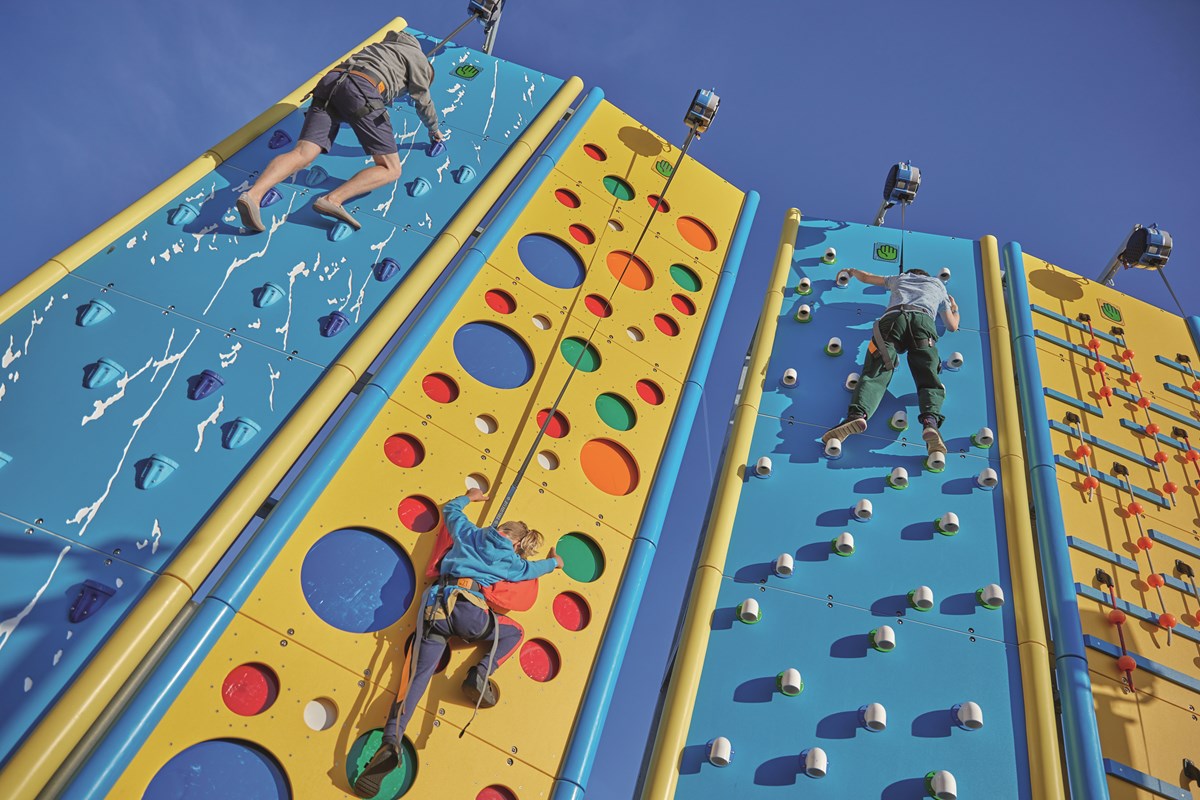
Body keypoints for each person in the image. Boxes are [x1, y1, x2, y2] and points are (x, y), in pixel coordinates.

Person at [353, 485, 563, 798]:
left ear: (500, 528)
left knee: (414, 681)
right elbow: (539, 568)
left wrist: (471, 496)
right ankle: (481, 671)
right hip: (471, 612)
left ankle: (392, 741)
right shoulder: (514, 563)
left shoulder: (470, 533)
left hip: (436, 607)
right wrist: (557, 563)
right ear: (519, 544)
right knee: (513, 632)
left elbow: (451, 511)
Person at [237, 30, 445, 234]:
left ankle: (253, 195)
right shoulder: (419, 60)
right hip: (364, 87)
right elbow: (423, 100)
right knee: (391, 169)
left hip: (330, 83)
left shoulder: (384, 47)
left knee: (303, 153)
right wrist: (433, 130)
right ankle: (332, 200)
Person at [821, 267, 960, 455]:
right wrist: (955, 309)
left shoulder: (901, 278)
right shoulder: (938, 286)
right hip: (923, 322)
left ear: (911, 274)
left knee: (876, 370)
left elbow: (869, 277)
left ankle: (858, 415)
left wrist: (852, 271)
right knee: (928, 376)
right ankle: (930, 422)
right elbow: (952, 326)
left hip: (894, 319)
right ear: (926, 276)